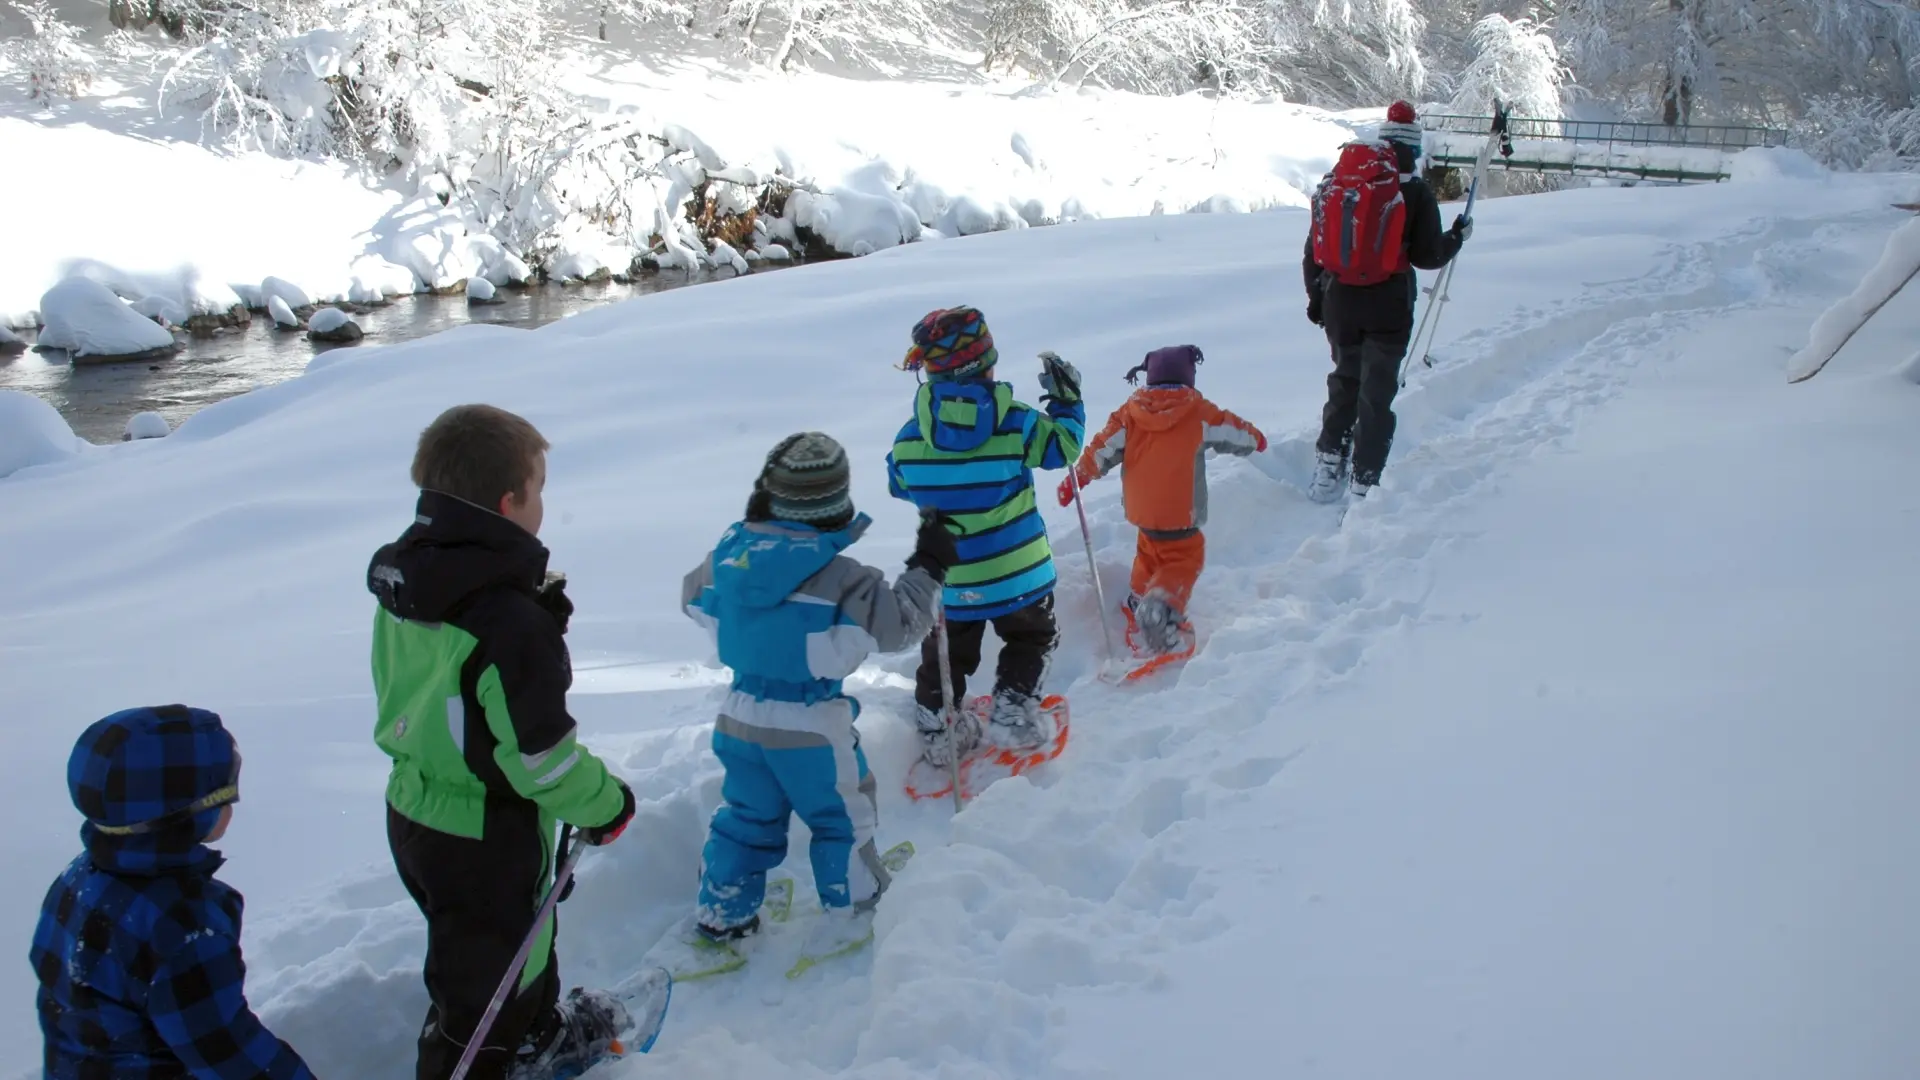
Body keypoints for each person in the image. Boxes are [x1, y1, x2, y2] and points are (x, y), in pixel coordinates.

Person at [367, 403, 638, 1080]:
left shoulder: (412, 580)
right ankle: (481, 1060)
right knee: (482, 995)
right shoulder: (507, 620)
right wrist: (605, 805)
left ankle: (535, 1033)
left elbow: (442, 692)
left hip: (415, 806)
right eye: (539, 488)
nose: (543, 502)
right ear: (509, 501)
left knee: (517, 947)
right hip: (484, 833)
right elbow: (541, 761)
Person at [680, 432, 953, 952]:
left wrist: (755, 539)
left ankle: (723, 911)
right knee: (840, 815)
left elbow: (692, 601)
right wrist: (929, 566)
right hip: (811, 725)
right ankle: (853, 901)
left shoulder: (726, 563)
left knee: (745, 816)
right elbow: (901, 627)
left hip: (739, 720)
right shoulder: (844, 580)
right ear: (835, 506)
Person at [31, 703, 319, 1080]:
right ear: (184, 815)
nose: (234, 805)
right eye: (225, 795)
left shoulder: (79, 877)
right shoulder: (183, 927)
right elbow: (229, 1054)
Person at [885, 306, 1084, 766]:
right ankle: (1013, 708)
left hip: (952, 580)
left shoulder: (910, 441)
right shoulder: (1017, 423)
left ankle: (938, 724)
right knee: (1031, 639)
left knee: (948, 654)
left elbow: (899, 482)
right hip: (1020, 577)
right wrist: (1067, 403)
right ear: (987, 365)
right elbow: (1065, 447)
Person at [1303, 100, 1473, 501]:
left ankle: (1329, 464)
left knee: (1345, 380)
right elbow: (1427, 257)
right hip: (1389, 304)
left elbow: (1314, 249)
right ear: (1414, 149)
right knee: (1376, 394)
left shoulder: (1339, 184)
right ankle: (1364, 481)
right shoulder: (1413, 190)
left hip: (1339, 301)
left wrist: (1316, 298)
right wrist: (1457, 238)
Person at [1058, 345, 1265, 656]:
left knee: (1149, 553)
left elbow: (1101, 450)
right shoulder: (1198, 411)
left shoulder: (1130, 413)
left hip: (1143, 512)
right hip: (1181, 513)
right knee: (1184, 558)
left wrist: (1076, 480)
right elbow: (1233, 432)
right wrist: (1256, 439)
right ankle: (1160, 606)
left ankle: (1140, 597)